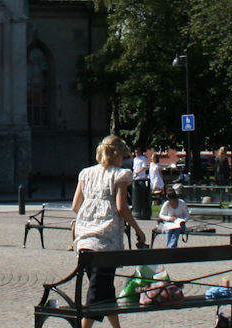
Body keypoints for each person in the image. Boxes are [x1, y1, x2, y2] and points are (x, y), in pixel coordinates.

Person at [72, 134, 150, 328]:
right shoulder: (119, 175)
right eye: (122, 156)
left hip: (84, 238)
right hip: (107, 240)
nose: (123, 160)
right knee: (98, 291)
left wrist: (89, 218)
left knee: (103, 289)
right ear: (116, 155)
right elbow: (122, 207)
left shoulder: (86, 173)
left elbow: (75, 205)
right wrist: (138, 230)